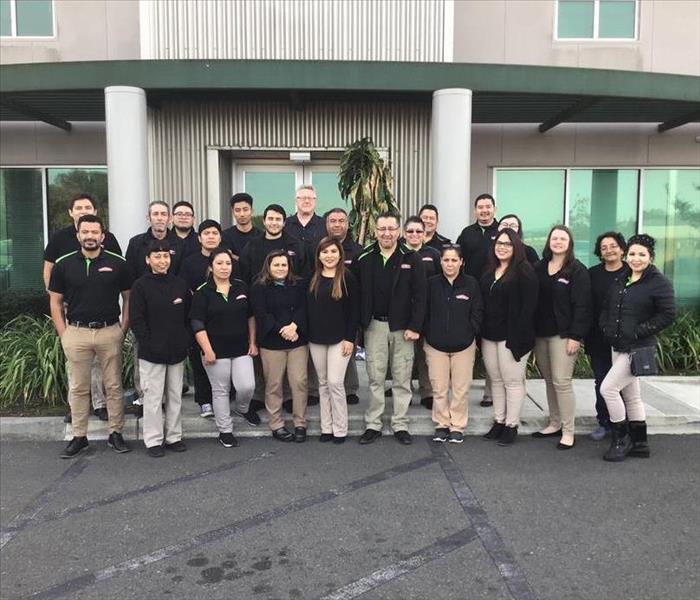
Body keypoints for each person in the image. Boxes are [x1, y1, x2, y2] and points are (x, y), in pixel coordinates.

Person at [48, 215, 133, 458]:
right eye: (85, 232)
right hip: (76, 332)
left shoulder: (118, 263)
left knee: (114, 386)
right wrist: (64, 333)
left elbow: (129, 297)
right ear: (78, 235)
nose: (90, 236)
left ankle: (115, 433)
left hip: (109, 331)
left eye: (95, 232)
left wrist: (123, 328)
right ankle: (79, 436)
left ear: (102, 236)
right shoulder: (64, 264)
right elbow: (55, 301)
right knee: (78, 387)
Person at [43, 192, 122, 423]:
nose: (83, 210)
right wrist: (57, 300)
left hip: (103, 315)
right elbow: (48, 269)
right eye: (78, 207)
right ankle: (76, 408)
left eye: (88, 206)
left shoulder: (109, 239)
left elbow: (119, 271)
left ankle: (99, 404)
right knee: (76, 368)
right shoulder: (60, 238)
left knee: (102, 366)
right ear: (71, 213)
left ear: (95, 212)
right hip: (72, 311)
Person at [599, 234, 675, 462]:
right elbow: (607, 307)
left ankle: (621, 440)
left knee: (608, 389)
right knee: (631, 395)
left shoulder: (659, 283)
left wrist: (639, 331)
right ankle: (640, 443)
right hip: (618, 344)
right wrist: (605, 327)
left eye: (642, 254)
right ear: (626, 255)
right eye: (632, 254)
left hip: (637, 347)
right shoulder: (622, 279)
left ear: (650, 257)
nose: (636, 258)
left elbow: (668, 314)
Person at [356, 212, 426, 446]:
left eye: (391, 228)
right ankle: (373, 423)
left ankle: (400, 424)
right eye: (382, 228)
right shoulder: (365, 257)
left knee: (401, 377)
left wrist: (415, 326)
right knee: (375, 378)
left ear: (398, 231)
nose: (386, 233)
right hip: (374, 326)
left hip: (403, 328)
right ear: (376, 231)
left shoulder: (411, 258)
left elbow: (421, 295)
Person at [190, 247, 257, 448]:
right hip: (215, 351)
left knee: (247, 386)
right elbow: (197, 324)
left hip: (241, 348)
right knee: (220, 391)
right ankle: (225, 430)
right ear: (211, 267)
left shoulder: (241, 287)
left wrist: (253, 342)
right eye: (219, 263)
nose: (224, 267)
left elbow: (250, 317)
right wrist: (207, 350)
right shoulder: (203, 292)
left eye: (228, 263)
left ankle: (242, 409)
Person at [129, 240, 190, 457]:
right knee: (153, 398)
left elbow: (187, 317)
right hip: (151, 352)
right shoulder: (140, 286)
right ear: (148, 260)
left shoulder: (180, 284)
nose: (162, 261)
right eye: (157, 256)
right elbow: (137, 320)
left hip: (176, 351)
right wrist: (148, 343)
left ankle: (173, 436)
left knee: (175, 396)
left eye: (166, 256)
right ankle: (153, 440)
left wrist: (184, 341)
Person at [532, 225, 592, 450]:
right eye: (554, 238)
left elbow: (583, 306)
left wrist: (575, 336)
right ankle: (554, 423)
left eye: (563, 239)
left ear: (570, 244)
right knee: (549, 380)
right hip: (540, 334)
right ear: (549, 242)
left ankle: (568, 431)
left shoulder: (577, 270)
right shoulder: (539, 267)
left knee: (562, 381)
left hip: (563, 335)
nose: (558, 242)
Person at [480, 228, 539, 446]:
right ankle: (499, 420)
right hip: (489, 336)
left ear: (516, 247)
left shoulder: (525, 272)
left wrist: (518, 337)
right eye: (499, 244)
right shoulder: (489, 271)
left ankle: (511, 425)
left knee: (512, 382)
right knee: (495, 380)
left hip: (513, 337)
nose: (502, 247)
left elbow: (528, 308)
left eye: (507, 244)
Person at [424, 245, 483, 444]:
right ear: (440, 262)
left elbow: (477, 311)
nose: (450, 264)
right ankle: (441, 424)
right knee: (439, 388)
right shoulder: (431, 284)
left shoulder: (471, 284)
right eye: (446, 260)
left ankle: (457, 426)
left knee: (460, 389)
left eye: (454, 260)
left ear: (461, 262)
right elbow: (424, 310)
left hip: (463, 346)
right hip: (435, 345)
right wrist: (428, 332)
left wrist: (470, 330)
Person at [250, 250, 309, 443]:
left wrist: (294, 326)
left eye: (284, 265)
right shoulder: (259, 287)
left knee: (299, 382)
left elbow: (304, 307)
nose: (281, 268)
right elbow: (261, 314)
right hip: (272, 343)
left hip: (297, 341)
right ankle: (276, 424)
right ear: (269, 266)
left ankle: (300, 422)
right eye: (276, 265)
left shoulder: (299, 284)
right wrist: (282, 330)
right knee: (274, 384)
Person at [307, 238, 360, 443]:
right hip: (316, 339)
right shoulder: (313, 278)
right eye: (325, 252)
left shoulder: (347, 278)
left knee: (335, 383)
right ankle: (326, 428)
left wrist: (350, 338)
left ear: (340, 254)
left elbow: (354, 311)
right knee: (322, 383)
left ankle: (340, 428)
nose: (329, 255)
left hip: (340, 339)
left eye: (333, 251)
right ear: (319, 255)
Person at [586, 232, 630, 441]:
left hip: (626, 338)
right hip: (598, 336)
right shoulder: (592, 273)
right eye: (604, 247)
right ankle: (604, 422)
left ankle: (624, 423)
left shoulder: (632, 272)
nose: (609, 250)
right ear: (599, 252)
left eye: (613, 246)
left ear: (622, 249)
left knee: (624, 383)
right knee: (601, 380)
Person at [325, 207, 362, 404]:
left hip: (348, 308)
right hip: (324, 308)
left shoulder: (357, 250)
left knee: (347, 349)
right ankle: (318, 391)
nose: (337, 224)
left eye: (341, 221)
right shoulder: (320, 247)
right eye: (333, 221)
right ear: (327, 224)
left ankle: (349, 389)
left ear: (348, 224)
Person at [403, 215, 440, 409]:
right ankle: (404, 392)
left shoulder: (433, 254)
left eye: (419, 231)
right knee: (405, 356)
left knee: (426, 355)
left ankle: (427, 392)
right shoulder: (399, 253)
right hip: (403, 314)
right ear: (404, 234)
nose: (414, 235)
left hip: (428, 313)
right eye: (410, 231)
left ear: (425, 234)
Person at [238, 204, 308, 285]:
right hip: (259, 295)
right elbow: (244, 276)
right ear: (264, 221)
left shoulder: (296, 246)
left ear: (284, 223)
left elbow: (304, 275)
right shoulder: (252, 246)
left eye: (278, 219)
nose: (274, 223)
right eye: (270, 219)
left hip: (290, 295)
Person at [125, 201, 183, 279]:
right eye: (155, 214)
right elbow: (129, 274)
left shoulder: (181, 244)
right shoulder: (135, 243)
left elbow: (183, 274)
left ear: (170, 219)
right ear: (148, 218)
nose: (159, 218)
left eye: (163, 214)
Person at [456, 193, 499, 279]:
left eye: (488, 207)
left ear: (495, 209)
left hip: (496, 283)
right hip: (471, 283)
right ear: (475, 211)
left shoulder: (501, 231)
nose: (484, 210)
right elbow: (458, 257)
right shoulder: (467, 232)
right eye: (480, 207)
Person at [221, 192, 263, 260]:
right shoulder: (225, 236)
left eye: (245, 210)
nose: (242, 214)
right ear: (233, 212)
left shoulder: (261, 236)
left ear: (252, 211)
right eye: (237, 210)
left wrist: (234, 256)